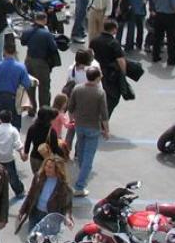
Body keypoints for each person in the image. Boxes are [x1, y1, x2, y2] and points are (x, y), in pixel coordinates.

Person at [68, 66, 110, 197]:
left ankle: (82, 173)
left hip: (79, 126)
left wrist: (72, 119)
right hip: (93, 127)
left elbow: (70, 107)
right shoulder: (100, 93)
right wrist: (106, 130)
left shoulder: (77, 88)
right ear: (97, 78)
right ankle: (80, 186)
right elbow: (104, 114)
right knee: (88, 157)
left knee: (81, 151)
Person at [18, 155, 74, 231]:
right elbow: (31, 195)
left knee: (47, 241)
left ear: (57, 169)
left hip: (51, 218)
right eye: (46, 166)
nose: (46, 169)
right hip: (35, 214)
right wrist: (22, 210)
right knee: (31, 239)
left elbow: (67, 206)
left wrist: (67, 218)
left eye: (50, 167)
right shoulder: (38, 177)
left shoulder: (64, 186)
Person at [21, 12, 59, 111]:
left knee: (30, 86)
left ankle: (31, 109)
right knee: (44, 88)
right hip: (41, 63)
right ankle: (44, 110)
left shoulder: (28, 30)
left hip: (28, 61)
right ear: (45, 20)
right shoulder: (46, 34)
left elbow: (23, 42)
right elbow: (53, 47)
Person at [0, 43, 31, 128]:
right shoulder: (21, 67)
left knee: (1, 124)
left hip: (0, 98)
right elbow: (27, 84)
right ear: (15, 52)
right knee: (15, 124)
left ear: (4, 51)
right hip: (14, 99)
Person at [0, 108, 25, 197]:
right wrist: (22, 154)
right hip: (8, 158)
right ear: (11, 119)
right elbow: (18, 144)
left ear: (0, 119)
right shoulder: (13, 130)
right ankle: (19, 191)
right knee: (13, 177)